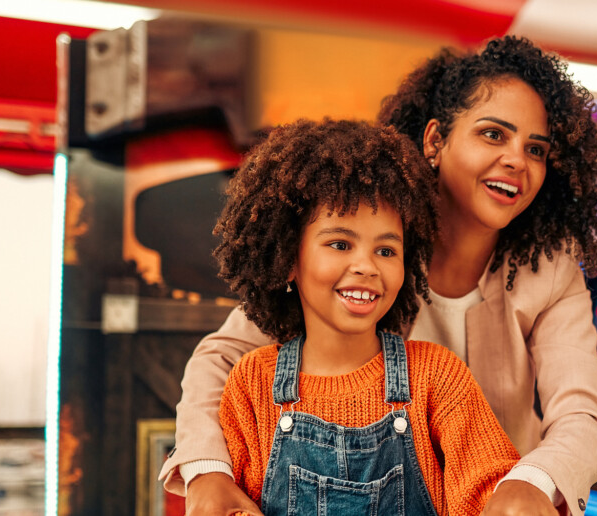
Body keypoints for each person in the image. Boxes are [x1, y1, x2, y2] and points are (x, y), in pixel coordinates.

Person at [159, 36, 597, 516]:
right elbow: (221, 359)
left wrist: (531, 484)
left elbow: (582, 414)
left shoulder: (548, 270)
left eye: (536, 149)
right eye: (493, 134)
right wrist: (207, 472)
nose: (516, 160)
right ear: (435, 141)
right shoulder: (363, 246)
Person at [211, 119, 520, 515]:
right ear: (288, 258)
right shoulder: (251, 384)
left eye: (386, 251)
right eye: (340, 243)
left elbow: (491, 489)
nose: (367, 266)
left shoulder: (437, 376)